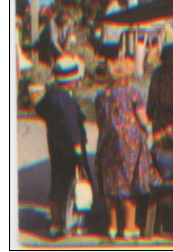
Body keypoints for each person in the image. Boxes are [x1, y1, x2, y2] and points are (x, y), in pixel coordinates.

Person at [95, 54, 160, 240]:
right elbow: (143, 119)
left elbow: (100, 120)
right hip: (130, 144)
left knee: (111, 183)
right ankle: (130, 227)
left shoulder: (102, 95)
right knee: (129, 184)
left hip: (107, 142)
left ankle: (113, 226)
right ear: (127, 77)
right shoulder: (133, 94)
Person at [35, 56, 90, 239]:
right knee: (74, 186)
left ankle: (55, 223)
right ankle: (72, 224)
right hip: (69, 149)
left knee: (57, 184)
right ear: (72, 80)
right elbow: (72, 127)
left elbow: (39, 109)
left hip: (55, 146)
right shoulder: (66, 100)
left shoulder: (51, 94)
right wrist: (78, 151)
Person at [146, 44, 173, 134]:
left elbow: (151, 99)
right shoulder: (171, 81)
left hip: (158, 122)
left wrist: (150, 114)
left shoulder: (157, 74)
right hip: (169, 123)